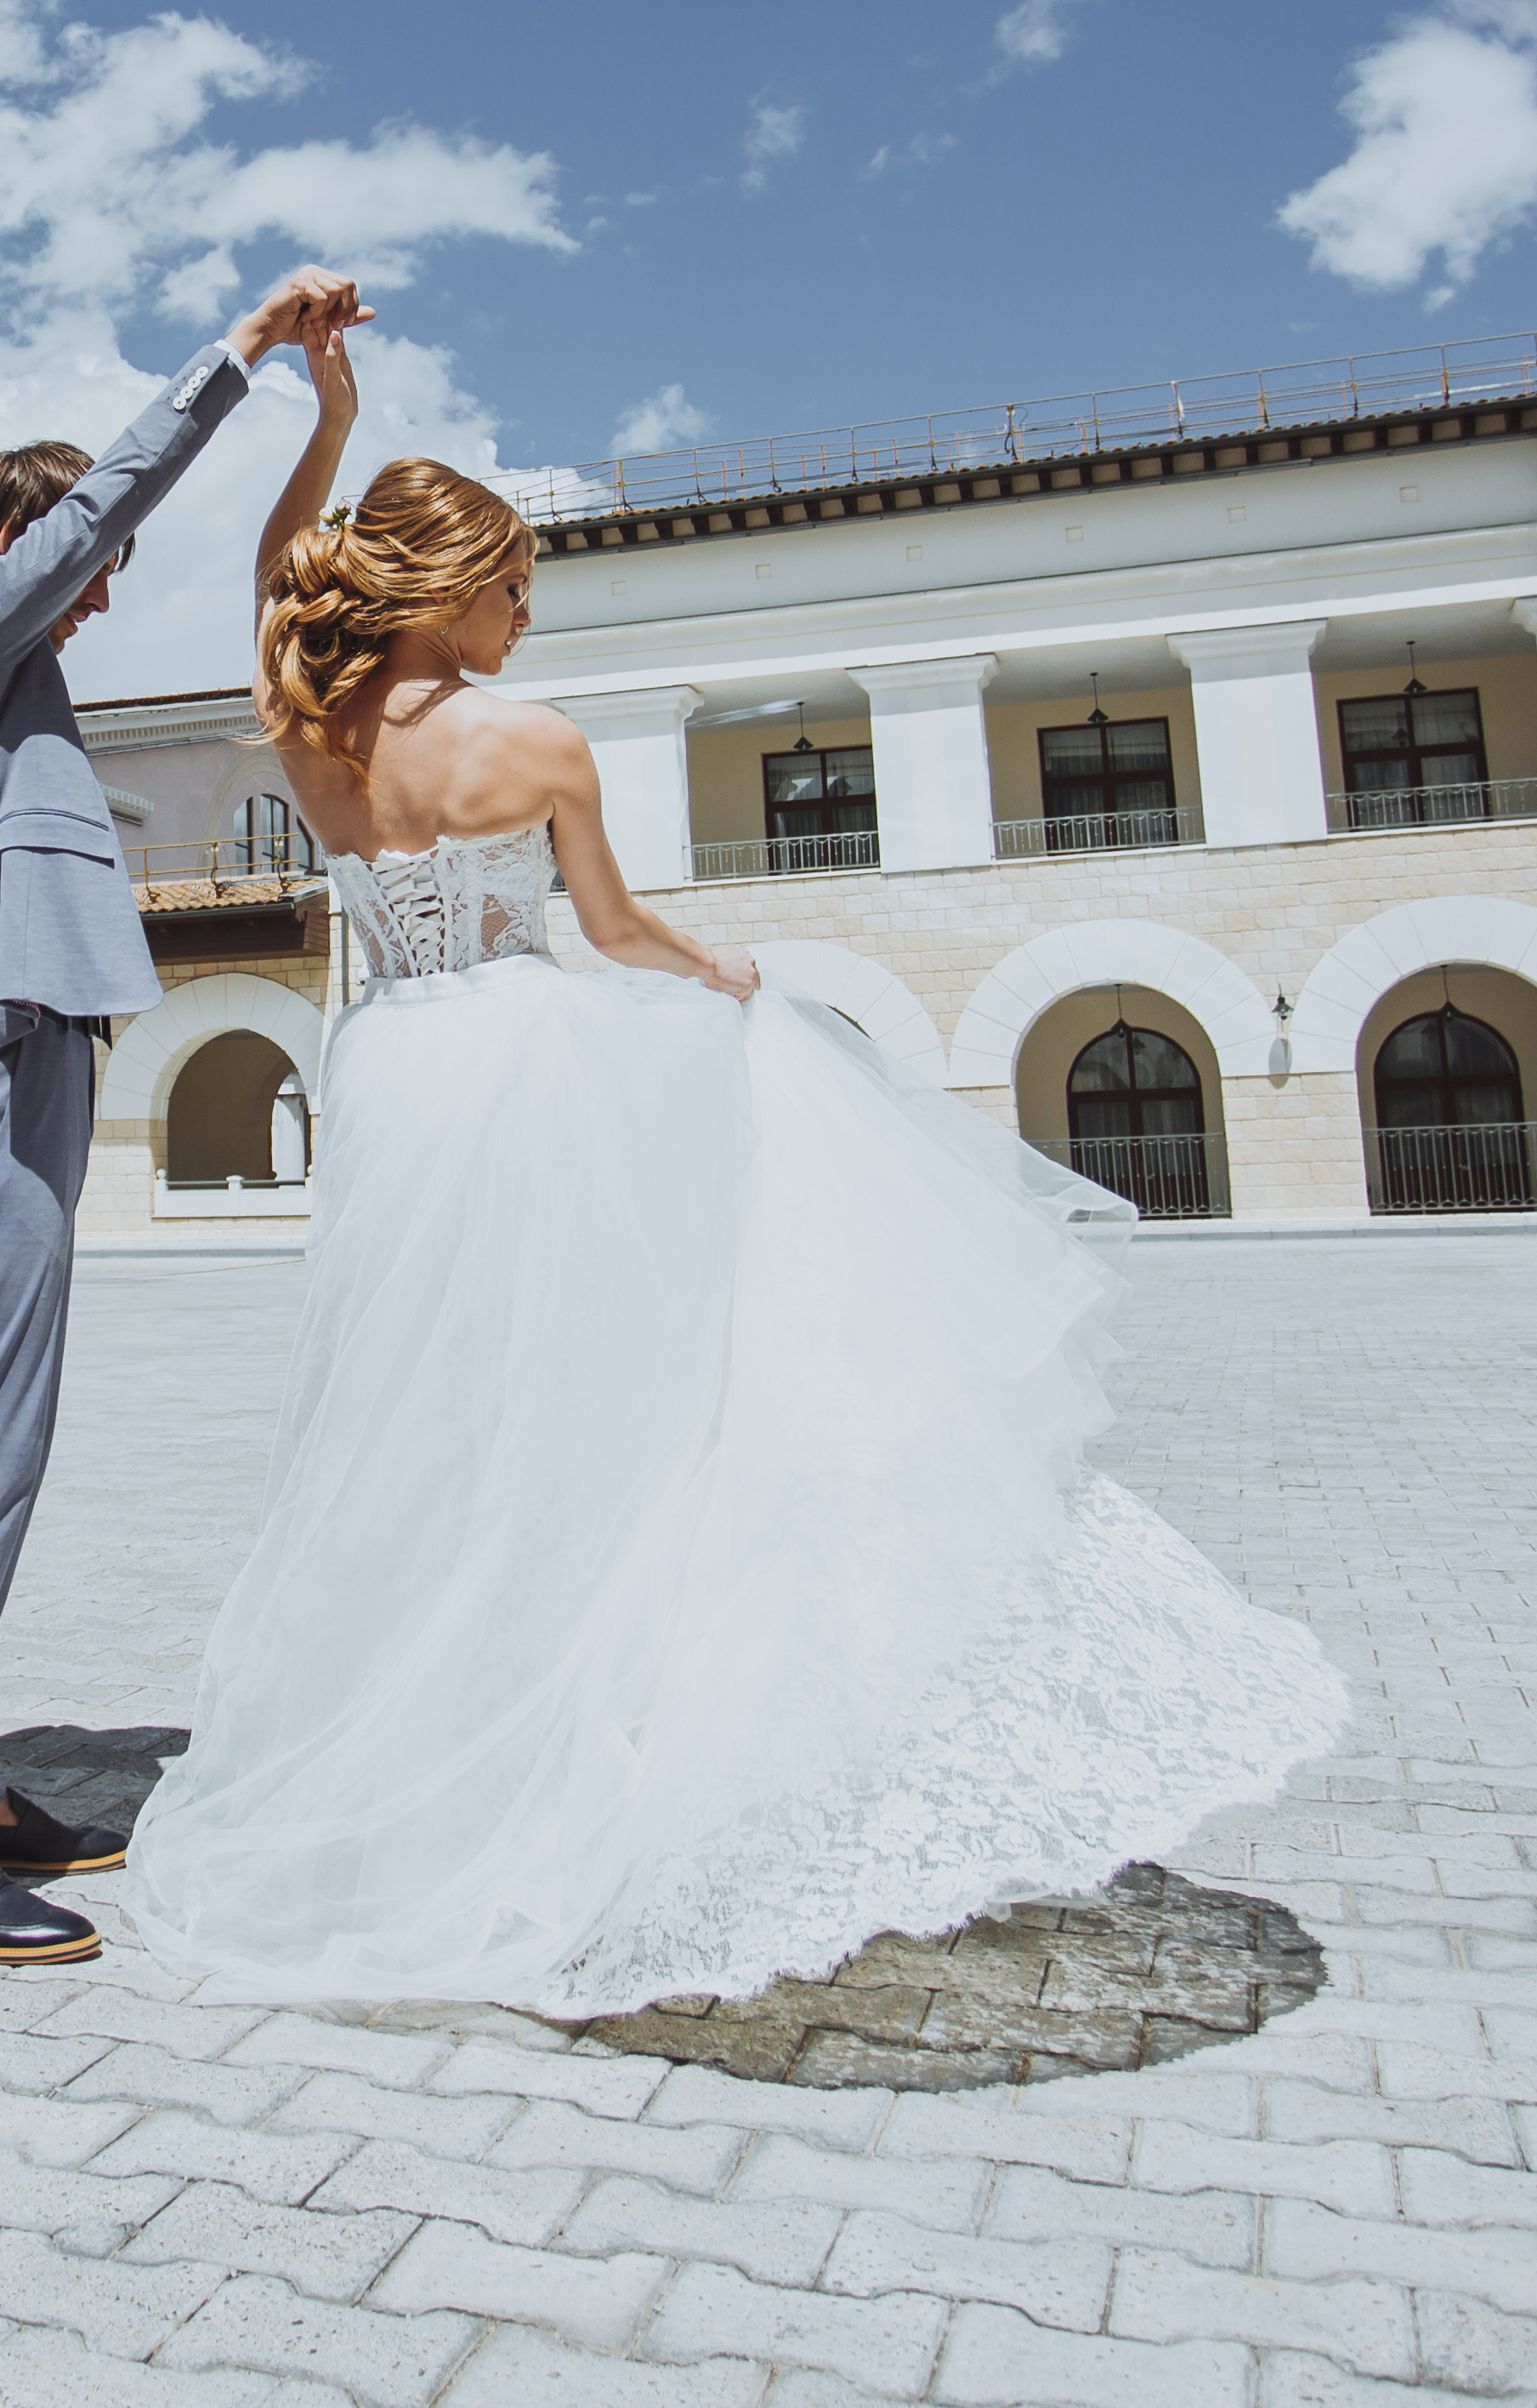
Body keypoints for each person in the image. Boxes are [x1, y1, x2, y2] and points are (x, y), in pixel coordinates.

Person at [124, 321, 1348, 2008]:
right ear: (450, 587)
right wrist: (728, 979)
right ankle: (576, 1751)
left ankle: (419, 1759)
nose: (523, 615)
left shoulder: (307, 723)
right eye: (510, 586)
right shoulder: (534, 741)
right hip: (524, 1067)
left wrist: (321, 420)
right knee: (598, 1410)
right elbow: (613, 931)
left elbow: (275, 567)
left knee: (414, 1418)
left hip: (397, 1079)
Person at [0, 265, 371, 1968]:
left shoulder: (20, 694)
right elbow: (89, 523)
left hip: (38, 1057)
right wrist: (237, 362)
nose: (90, 610)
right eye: (79, 581)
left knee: (5, 1437)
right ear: (26, 543)